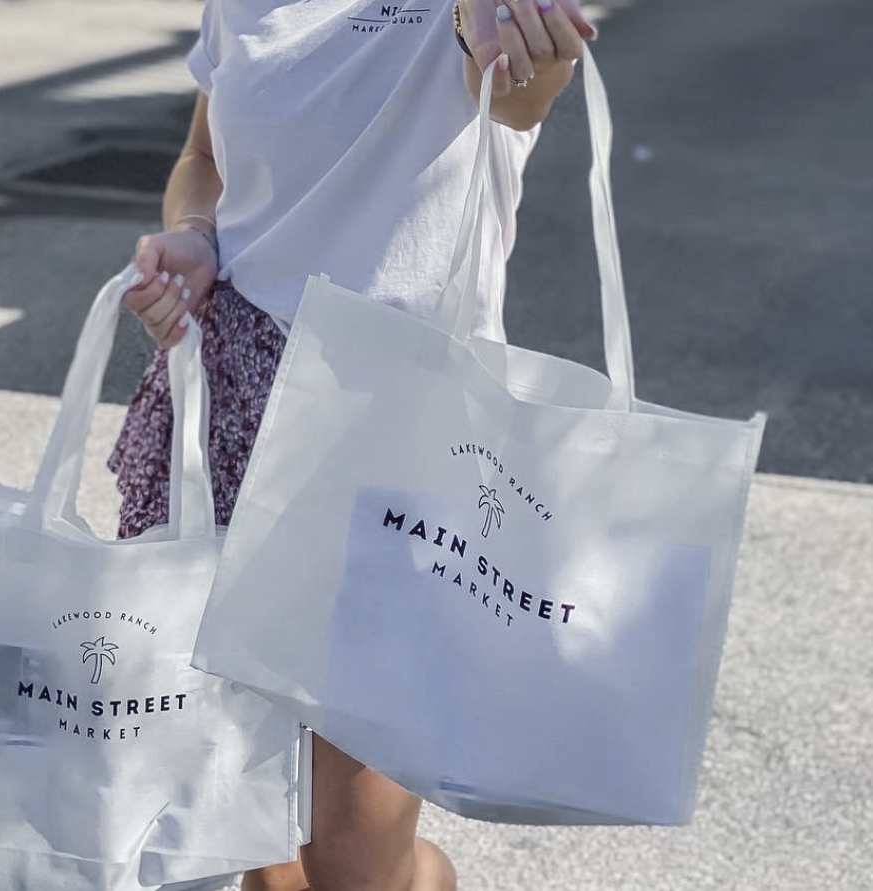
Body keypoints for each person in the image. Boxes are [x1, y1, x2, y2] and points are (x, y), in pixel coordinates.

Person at [108, 1, 596, 889]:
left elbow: (519, 91)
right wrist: (197, 235)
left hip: (397, 436)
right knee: (249, 830)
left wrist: (534, 54)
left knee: (354, 856)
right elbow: (204, 160)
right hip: (234, 415)